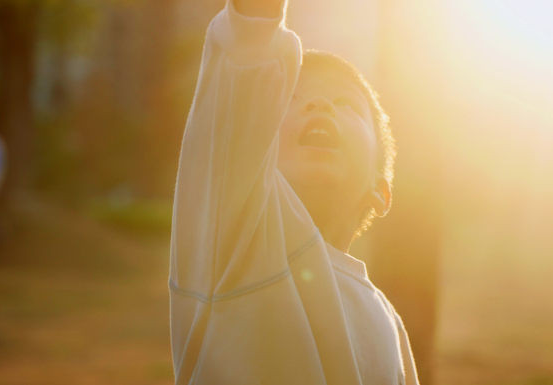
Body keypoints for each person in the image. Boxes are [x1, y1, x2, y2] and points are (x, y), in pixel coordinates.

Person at [169, 0, 419, 383]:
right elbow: (241, 77)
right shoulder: (239, 237)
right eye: (291, 98)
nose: (320, 105)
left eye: (345, 103)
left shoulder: (388, 319)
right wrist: (256, 20)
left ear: (380, 190)